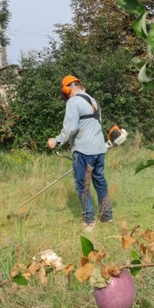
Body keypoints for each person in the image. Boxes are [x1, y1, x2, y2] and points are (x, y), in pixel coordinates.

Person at [47, 75, 113, 232]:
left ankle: (89, 221)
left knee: (82, 185)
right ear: (81, 86)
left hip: (84, 150)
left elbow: (71, 128)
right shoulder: (94, 101)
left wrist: (56, 141)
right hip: (99, 150)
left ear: (66, 89)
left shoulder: (73, 102)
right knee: (100, 182)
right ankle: (107, 216)